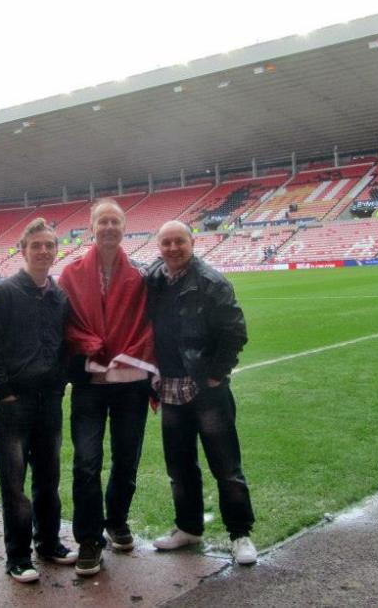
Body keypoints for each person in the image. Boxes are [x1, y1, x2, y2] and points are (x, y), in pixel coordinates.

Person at [145, 220, 257, 566]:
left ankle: (240, 534)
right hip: (171, 389)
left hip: (206, 391)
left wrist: (215, 375)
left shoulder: (212, 282)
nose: (173, 248)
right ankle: (188, 527)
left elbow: (235, 332)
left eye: (179, 241)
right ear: (159, 247)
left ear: (192, 243)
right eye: (166, 242)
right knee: (180, 467)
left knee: (226, 467)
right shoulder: (154, 280)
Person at [0, 217, 76, 584]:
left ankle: (48, 543)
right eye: (37, 245)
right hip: (15, 405)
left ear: (56, 250)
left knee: (48, 479)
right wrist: (5, 392)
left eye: (49, 245)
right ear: (23, 250)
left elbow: (65, 347)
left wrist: (60, 382)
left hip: (50, 402)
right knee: (14, 485)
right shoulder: (4, 293)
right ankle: (18, 556)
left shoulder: (59, 296)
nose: (44, 251)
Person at [58, 199, 157, 577]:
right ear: (92, 227)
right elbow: (64, 323)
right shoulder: (71, 274)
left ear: (124, 228)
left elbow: (151, 324)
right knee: (86, 462)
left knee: (126, 459)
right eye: (103, 221)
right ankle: (88, 539)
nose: (109, 227)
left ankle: (116, 520)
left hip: (130, 387)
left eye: (116, 221)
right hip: (90, 387)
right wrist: (86, 343)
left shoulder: (141, 277)